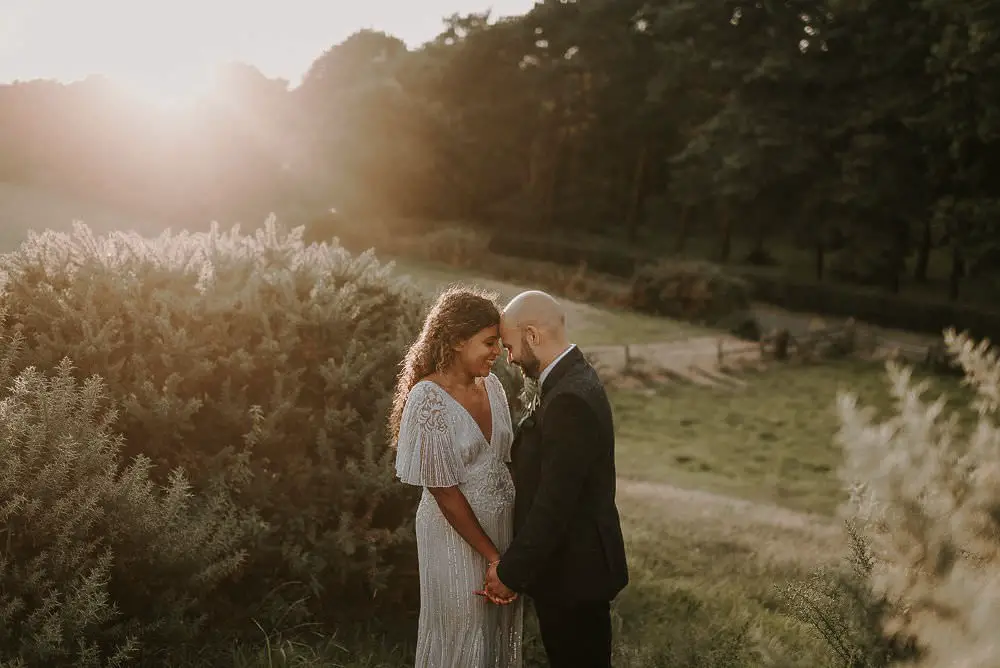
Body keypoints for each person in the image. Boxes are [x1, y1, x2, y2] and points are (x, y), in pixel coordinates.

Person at [483, 290, 629, 668]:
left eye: (511, 346)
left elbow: (555, 502)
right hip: (572, 568)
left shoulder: (568, 399)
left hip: (574, 573)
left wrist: (512, 572)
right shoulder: (572, 379)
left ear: (532, 335)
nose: (509, 357)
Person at [389, 286, 523, 668]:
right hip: (454, 534)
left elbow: (504, 462)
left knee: (495, 627)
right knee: (463, 626)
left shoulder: (493, 387)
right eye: (489, 342)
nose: (498, 352)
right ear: (457, 341)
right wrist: (495, 558)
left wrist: (509, 556)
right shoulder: (427, 398)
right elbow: (444, 492)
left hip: (501, 528)